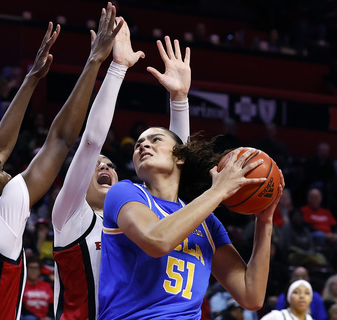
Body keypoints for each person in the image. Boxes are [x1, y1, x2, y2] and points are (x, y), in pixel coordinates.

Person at [0, 3, 123, 319]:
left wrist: (31, 78)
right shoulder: (1, 213)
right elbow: (60, 140)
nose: (3, 167)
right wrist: (94, 61)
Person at [52, 19, 190, 319]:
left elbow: (175, 171)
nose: (104, 166)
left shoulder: (138, 215)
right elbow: (90, 143)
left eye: (111, 164)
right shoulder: (69, 216)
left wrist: (179, 99)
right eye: (97, 165)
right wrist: (117, 68)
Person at [98, 133, 284, 318]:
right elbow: (156, 240)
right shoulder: (123, 192)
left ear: (180, 157)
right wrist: (218, 190)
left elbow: (251, 297)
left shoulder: (208, 223)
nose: (143, 145)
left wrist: (265, 221)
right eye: (138, 144)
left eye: (155, 140)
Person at [21, 256, 54, 320]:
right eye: (31, 268)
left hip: (46, 317)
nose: (33, 271)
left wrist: (48, 317)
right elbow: (22, 308)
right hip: (29, 317)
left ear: (39, 270)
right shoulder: (22, 287)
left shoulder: (46, 286)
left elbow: (52, 306)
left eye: (36, 268)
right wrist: (39, 318)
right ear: (26, 269)